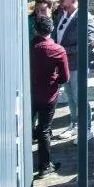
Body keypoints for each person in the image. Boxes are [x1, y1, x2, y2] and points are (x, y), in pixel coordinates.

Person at [53, 0, 94, 138]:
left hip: (78, 65)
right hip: (64, 65)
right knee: (70, 96)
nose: (60, 2)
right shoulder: (60, 13)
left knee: (80, 97)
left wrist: (60, 50)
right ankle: (75, 124)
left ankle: (88, 128)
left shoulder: (85, 18)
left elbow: (85, 45)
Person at [31, 16, 68, 176]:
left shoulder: (30, 47)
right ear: (51, 29)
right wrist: (55, 82)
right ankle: (44, 166)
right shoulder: (58, 50)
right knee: (44, 130)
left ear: (35, 30)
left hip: (30, 94)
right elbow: (65, 77)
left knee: (27, 127)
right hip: (49, 94)